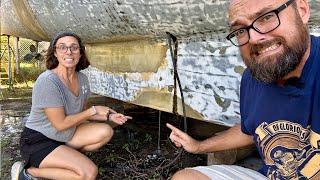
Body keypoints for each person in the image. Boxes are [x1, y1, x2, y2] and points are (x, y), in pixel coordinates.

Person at [167, 0, 320, 179]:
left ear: (302, 11)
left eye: (267, 17)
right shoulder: (253, 77)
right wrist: (198, 146)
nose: (254, 38)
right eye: (240, 30)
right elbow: (251, 129)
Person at [11, 32, 132, 180]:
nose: (69, 51)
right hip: (38, 140)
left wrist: (109, 116)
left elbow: (79, 114)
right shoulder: (48, 81)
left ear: (80, 53)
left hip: (64, 136)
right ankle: (27, 173)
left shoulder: (82, 79)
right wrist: (93, 110)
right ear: (55, 53)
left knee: (106, 131)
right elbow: (60, 124)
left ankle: (64, 160)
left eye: (74, 47)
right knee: (88, 173)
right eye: (62, 47)